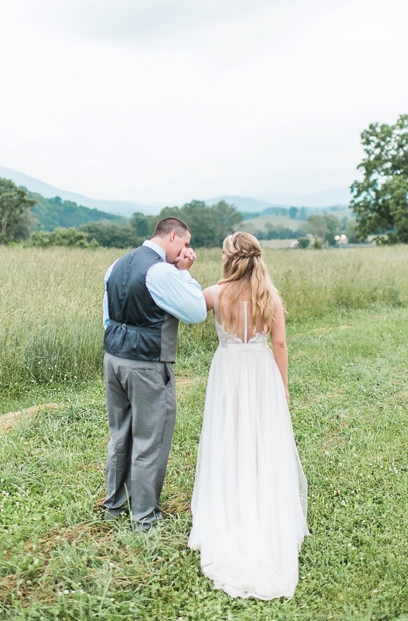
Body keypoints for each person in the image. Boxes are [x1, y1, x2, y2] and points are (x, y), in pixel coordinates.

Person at [188, 232, 309, 599]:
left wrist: (182, 269)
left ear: (228, 258)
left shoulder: (214, 293)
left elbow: (187, 307)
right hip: (260, 374)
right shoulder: (268, 295)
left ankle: (230, 504)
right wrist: (283, 386)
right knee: (260, 439)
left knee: (229, 435)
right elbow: (280, 344)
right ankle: (260, 500)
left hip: (228, 374)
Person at [102, 217, 207, 531]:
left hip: (113, 358)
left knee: (120, 434)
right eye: (185, 244)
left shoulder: (116, 264)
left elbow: (108, 316)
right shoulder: (161, 271)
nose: (185, 251)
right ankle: (145, 518)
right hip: (147, 364)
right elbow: (196, 311)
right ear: (173, 236)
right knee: (151, 438)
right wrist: (184, 273)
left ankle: (114, 506)